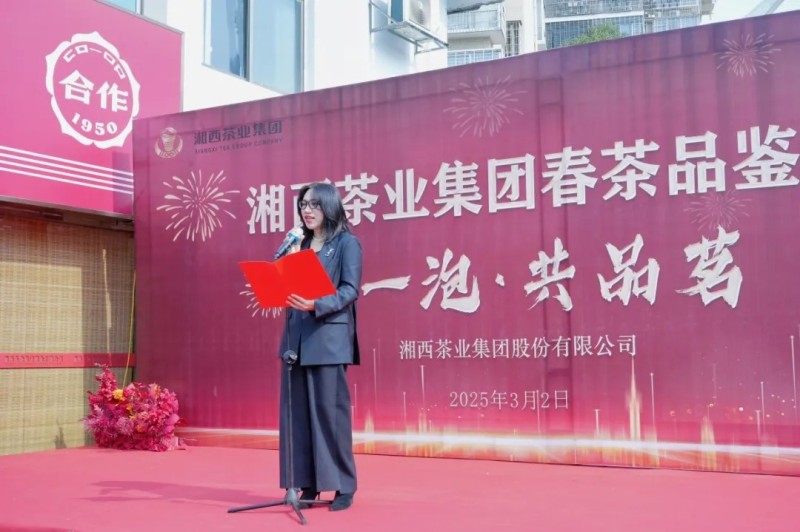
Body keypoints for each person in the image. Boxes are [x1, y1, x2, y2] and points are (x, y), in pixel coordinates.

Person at [278, 182, 361, 512]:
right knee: (298, 417)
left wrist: (318, 304)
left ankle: (343, 486)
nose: (307, 210)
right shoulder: (298, 245)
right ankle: (307, 483)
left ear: (329, 206)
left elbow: (350, 289)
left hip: (327, 340)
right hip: (296, 341)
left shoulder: (346, 244)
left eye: (314, 204)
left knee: (330, 416)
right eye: (303, 205)